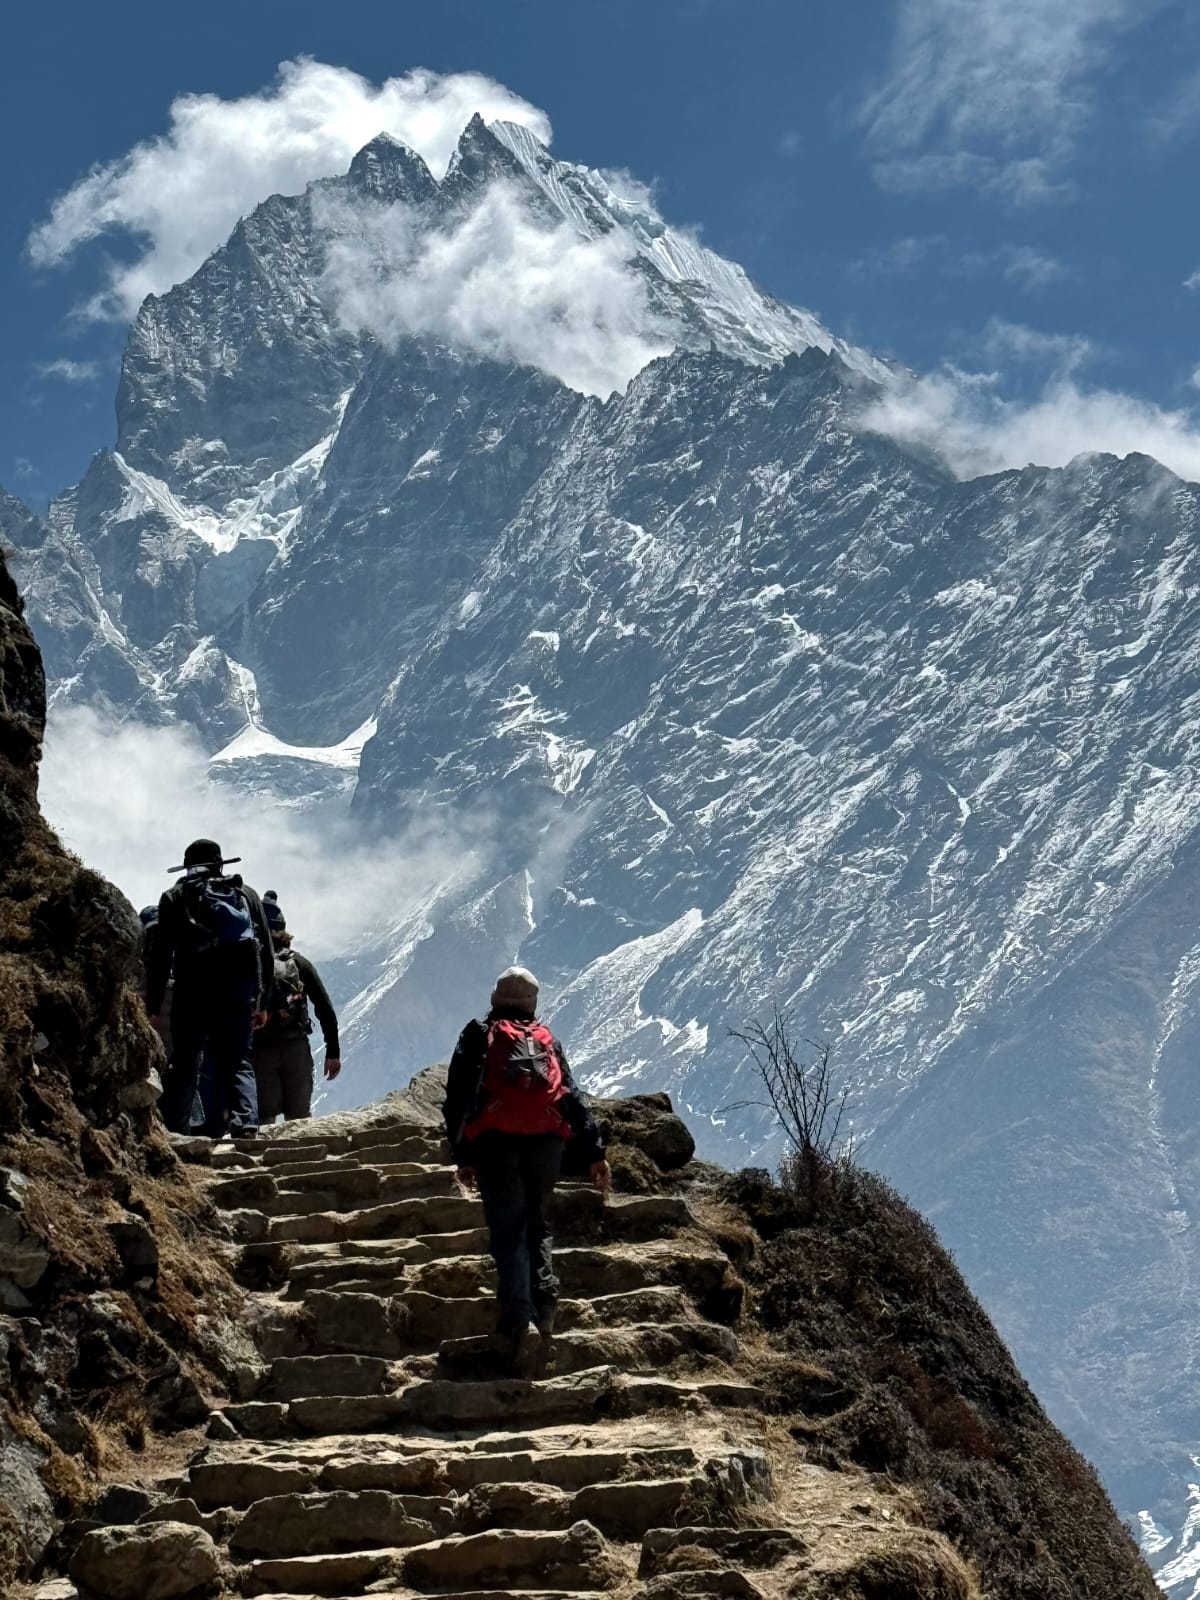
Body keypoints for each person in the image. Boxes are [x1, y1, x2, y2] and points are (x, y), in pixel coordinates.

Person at [443, 965, 610, 1376]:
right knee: (537, 1224)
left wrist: (462, 1154)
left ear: (496, 998)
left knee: (508, 1229)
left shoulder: (479, 1035)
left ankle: (518, 1320)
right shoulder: (545, 1038)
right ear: (532, 1003)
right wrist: (594, 1151)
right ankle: (546, 1308)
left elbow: (458, 1098)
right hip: (546, 1144)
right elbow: (570, 1094)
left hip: (496, 1142)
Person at [145, 839, 273, 1138]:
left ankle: (176, 1130)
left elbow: (161, 957)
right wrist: (262, 1001)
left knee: (186, 1061)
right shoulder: (244, 894)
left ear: (188, 866)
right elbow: (263, 950)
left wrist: (153, 1006)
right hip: (237, 994)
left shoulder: (174, 896)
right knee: (238, 1059)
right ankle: (246, 1123)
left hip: (192, 993)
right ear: (220, 863)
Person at [253, 890, 342, 1123]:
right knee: (299, 1118)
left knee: (264, 1119)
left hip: (260, 1049)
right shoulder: (299, 963)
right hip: (296, 1049)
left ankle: (264, 1159)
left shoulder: (251, 963)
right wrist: (333, 1052)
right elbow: (324, 1007)